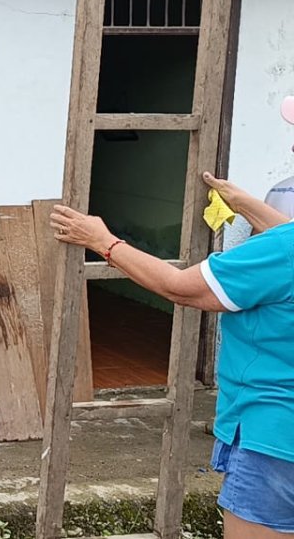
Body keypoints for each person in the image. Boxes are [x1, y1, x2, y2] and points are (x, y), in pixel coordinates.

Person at [50, 168, 293, 538]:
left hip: (274, 438)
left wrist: (103, 242)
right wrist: (245, 205)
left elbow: (180, 287)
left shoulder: (282, 252)